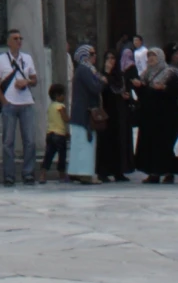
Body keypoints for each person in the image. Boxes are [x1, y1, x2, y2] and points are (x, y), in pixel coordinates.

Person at [0, 28, 39, 187]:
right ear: (9, 42)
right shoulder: (0, 60)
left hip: (26, 103)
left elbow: (34, 79)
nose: (19, 41)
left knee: (30, 141)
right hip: (10, 104)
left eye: (20, 38)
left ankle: (28, 173)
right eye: (15, 38)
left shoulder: (27, 58)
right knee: (8, 141)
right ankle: (9, 175)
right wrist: (4, 101)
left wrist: (27, 82)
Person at [132, 45, 178, 183]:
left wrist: (165, 88)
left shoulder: (170, 72)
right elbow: (144, 94)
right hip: (150, 116)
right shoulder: (145, 74)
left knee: (166, 144)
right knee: (151, 145)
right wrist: (139, 87)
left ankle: (169, 172)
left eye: (153, 56)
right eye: (149, 56)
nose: (150, 59)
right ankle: (153, 172)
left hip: (167, 117)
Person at [95, 48, 133, 182]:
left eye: (113, 58)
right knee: (106, 142)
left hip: (119, 114)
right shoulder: (100, 75)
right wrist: (106, 73)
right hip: (106, 113)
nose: (110, 61)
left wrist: (128, 97)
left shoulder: (121, 77)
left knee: (120, 142)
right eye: (108, 58)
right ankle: (103, 172)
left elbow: (126, 92)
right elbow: (100, 89)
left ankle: (119, 171)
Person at [67, 44, 103, 182]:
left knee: (79, 144)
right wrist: (102, 81)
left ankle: (78, 171)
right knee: (85, 144)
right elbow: (95, 87)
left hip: (80, 113)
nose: (95, 57)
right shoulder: (85, 70)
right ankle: (85, 173)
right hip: (84, 113)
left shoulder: (84, 70)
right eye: (92, 54)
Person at [40, 82, 69, 182]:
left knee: (48, 155)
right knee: (62, 155)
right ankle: (62, 174)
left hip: (50, 134)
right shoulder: (60, 106)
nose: (64, 97)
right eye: (63, 95)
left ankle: (43, 175)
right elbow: (64, 119)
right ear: (57, 96)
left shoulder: (50, 107)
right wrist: (71, 119)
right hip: (59, 135)